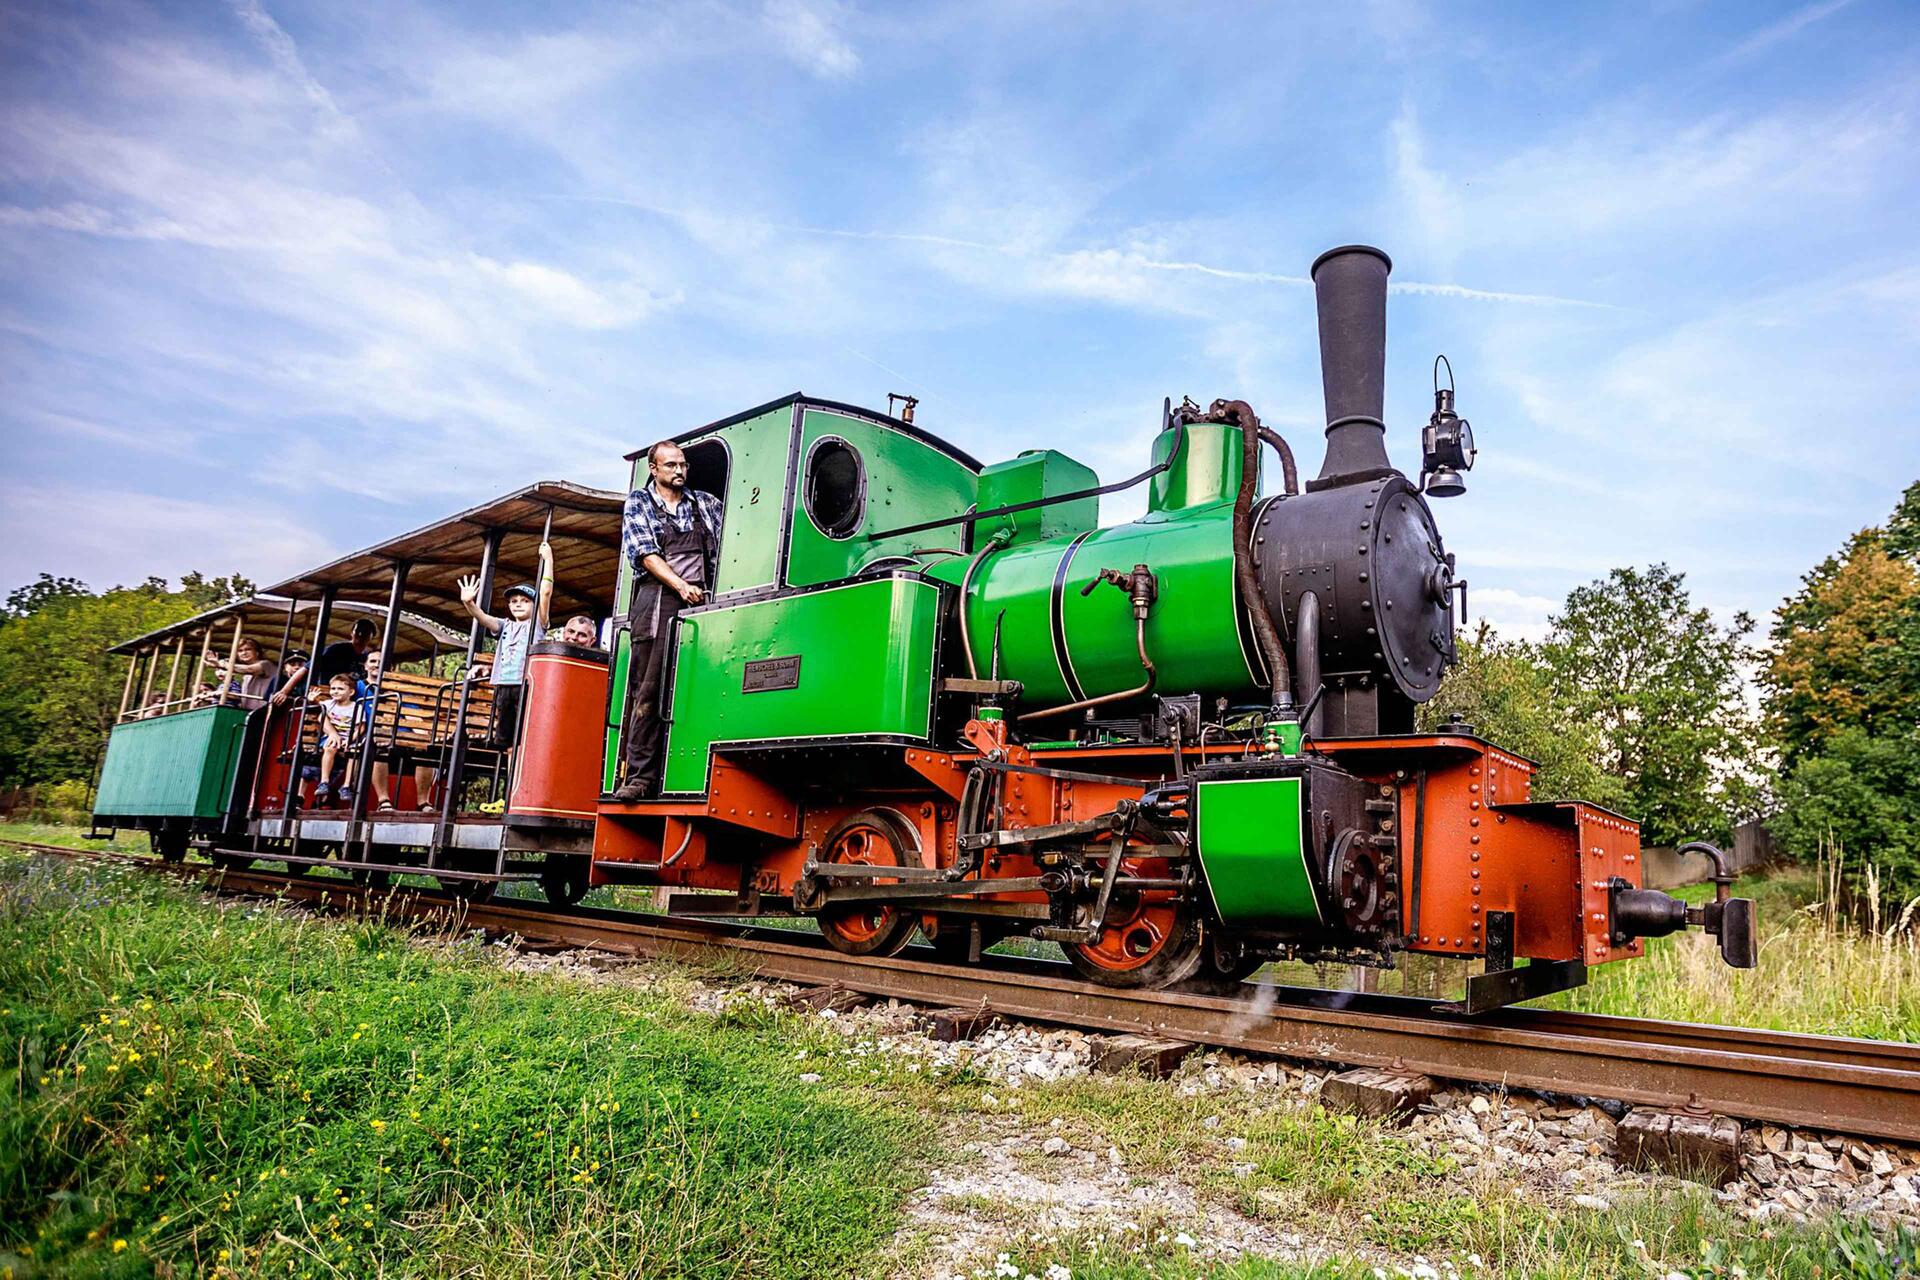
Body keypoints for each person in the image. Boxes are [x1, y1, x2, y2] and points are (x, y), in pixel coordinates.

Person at [610, 440, 723, 801]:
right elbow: (645, 553)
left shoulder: (704, 504)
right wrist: (680, 585)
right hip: (658, 601)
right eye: (671, 465)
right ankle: (641, 777)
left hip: (701, 601)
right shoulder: (639, 503)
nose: (679, 471)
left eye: (683, 465)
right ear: (654, 469)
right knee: (648, 689)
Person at [457, 540, 553, 751]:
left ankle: (518, 770)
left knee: (523, 735)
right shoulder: (504, 625)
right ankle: (509, 771)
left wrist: (548, 560)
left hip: (525, 684)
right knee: (506, 738)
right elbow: (482, 617)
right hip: (504, 685)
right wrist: (469, 603)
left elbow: (545, 592)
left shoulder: (538, 623)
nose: (518, 603)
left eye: (524, 600)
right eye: (514, 601)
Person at [357, 651, 438, 813]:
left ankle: (423, 802)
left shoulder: (399, 691)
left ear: (390, 667)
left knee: (425, 751)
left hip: (404, 737)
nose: (377, 664)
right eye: (372, 661)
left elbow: (414, 718)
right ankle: (383, 800)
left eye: (382, 661)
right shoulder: (358, 687)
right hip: (374, 736)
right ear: (365, 665)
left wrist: (423, 737)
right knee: (379, 745)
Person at [313, 672, 363, 807]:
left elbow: (361, 727)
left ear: (351, 692)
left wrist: (351, 739)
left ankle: (346, 785)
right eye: (333, 688)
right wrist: (312, 700)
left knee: (354, 752)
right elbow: (321, 713)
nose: (335, 692)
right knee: (330, 747)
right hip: (330, 737)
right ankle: (324, 781)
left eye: (340, 689)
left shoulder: (356, 707)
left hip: (348, 738)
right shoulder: (329, 704)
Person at [203, 636, 273, 706]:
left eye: (248, 649)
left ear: (257, 652)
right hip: (248, 712)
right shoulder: (246, 676)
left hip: (264, 710)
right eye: (240, 651)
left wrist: (220, 663)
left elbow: (248, 669)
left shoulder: (266, 664)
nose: (244, 653)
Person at [312, 617, 377, 692]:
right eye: (358, 631)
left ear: (372, 637)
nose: (360, 634)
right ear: (352, 633)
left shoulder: (368, 657)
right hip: (328, 692)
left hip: (353, 697)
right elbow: (307, 668)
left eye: (365, 632)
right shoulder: (336, 649)